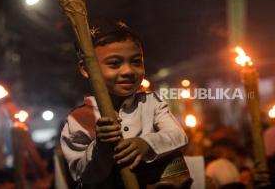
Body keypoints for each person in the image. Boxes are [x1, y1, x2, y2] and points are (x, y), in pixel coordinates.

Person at [60, 18, 191, 188]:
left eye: (136, 62)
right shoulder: (77, 119)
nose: (128, 71)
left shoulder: (151, 102)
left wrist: (146, 144)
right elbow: (81, 174)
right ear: (86, 69)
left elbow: (178, 136)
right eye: (115, 64)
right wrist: (101, 145)